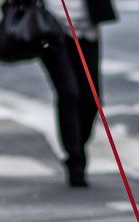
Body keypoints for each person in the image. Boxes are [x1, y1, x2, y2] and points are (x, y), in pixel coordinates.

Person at [41, 0, 117, 187]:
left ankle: (77, 146)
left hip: (87, 30)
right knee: (69, 93)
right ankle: (75, 161)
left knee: (92, 100)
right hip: (51, 30)